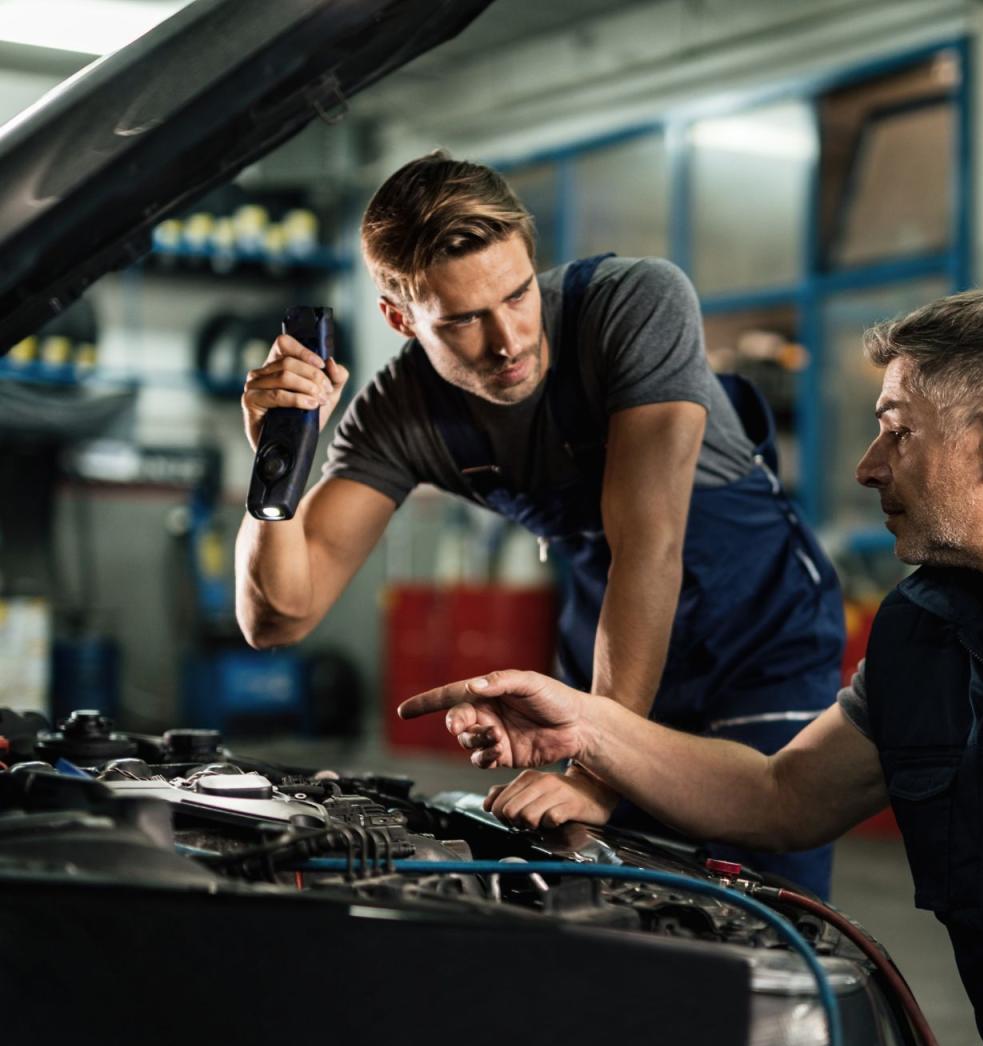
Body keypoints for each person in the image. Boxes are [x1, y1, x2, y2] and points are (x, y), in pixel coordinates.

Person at [398, 287, 983, 1046]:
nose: (867, 465)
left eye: (896, 430)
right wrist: (589, 726)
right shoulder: (924, 634)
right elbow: (781, 796)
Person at [234, 150, 845, 896]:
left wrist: (596, 766)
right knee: (611, 902)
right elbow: (279, 618)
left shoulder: (633, 305)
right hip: (607, 660)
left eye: (518, 294)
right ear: (400, 318)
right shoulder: (399, 414)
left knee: (760, 906)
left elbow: (649, 546)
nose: (509, 340)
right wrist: (277, 460)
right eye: (461, 320)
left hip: (758, 647)